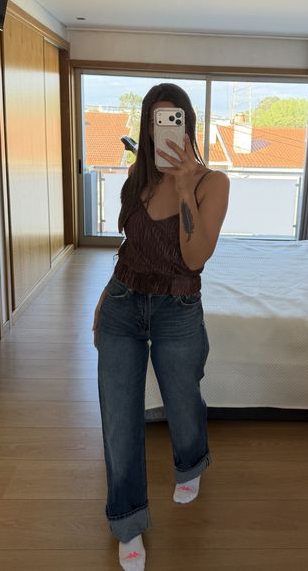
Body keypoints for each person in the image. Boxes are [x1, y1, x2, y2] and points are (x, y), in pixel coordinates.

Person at [93, 83, 230, 570]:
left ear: (189, 126)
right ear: (149, 129)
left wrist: (185, 187)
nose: (166, 129)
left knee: (182, 400)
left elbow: (194, 258)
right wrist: (104, 298)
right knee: (119, 416)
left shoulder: (213, 183)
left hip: (178, 307)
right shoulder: (138, 177)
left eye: (175, 120)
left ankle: (191, 463)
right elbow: (129, 247)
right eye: (157, 121)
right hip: (123, 303)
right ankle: (127, 520)